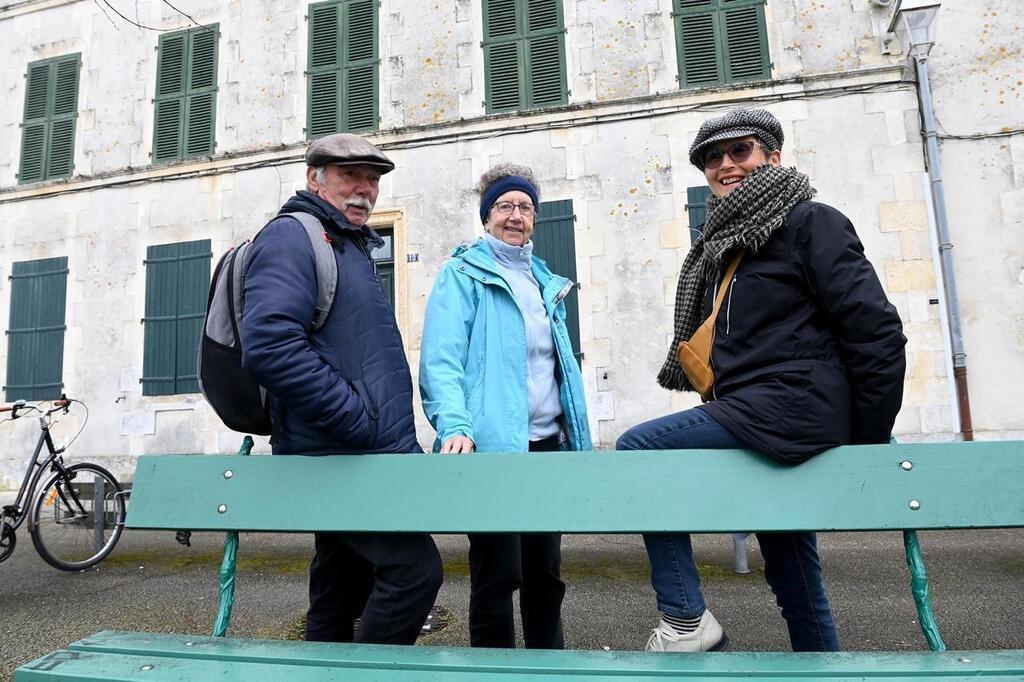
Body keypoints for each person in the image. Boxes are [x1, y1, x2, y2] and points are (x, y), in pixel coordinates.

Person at [617, 108, 907, 653]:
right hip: (760, 411)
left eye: (740, 151)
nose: (726, 165)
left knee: (640, 449)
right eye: (712, 158)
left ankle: (685, 620)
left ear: (773, 155)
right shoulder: (725, 246)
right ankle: (822, 666)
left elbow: (876, 332)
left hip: (790, 408)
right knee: (793, 566)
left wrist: (863, 440)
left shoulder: (810, 222)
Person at [241, 133, 442, 645]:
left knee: (341, 581)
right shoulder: (294, 237)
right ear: (315, 178)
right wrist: (356, 417)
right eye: (350, 176)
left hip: (353, 451)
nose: (365, 190)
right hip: (342, 450)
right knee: (414, 572)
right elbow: (269, 345)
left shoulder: (345, 242)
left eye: (372, 179)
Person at [419, 163, 592, 649]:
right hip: (491, 451)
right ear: (486, 215)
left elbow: (554, 366)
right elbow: (442, 359)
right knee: (497, 578)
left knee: (546, 577)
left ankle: (547, 668)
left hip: (545, 449)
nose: (515, 216)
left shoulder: (545, 282)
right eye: (504, 206)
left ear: (535, 218)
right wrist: (454, 425)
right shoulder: (462, 275)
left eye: (525, 207)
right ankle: (493, 671)